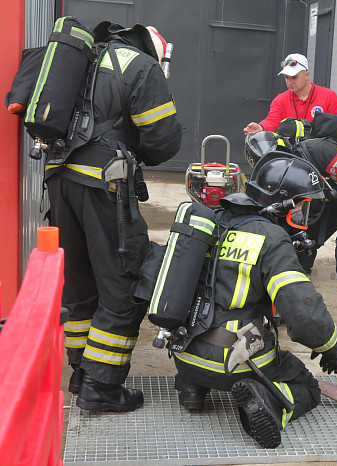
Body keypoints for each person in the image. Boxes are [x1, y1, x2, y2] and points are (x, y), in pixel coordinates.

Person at [47, 22, 182, 412]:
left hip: (58, 180)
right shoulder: (138, 64)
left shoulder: (83, 59)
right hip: (103, 183)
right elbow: (162, 138)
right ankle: (101, 388)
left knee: (80, 283)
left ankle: (81, 374)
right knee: (125, 281)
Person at [171, 152, 337, 449]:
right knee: (307, 387)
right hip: (233, 364)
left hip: (184, 352)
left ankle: (191, 388)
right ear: (282, 202)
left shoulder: (211, 220)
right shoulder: (271, 238)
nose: (303, 218)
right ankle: (269, 403)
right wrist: (329, 345)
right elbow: (303, 313)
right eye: (302, 208)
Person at [244, 118, 337, 339]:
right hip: (328, 199)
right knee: (298, 248)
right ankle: (293, 308)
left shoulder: (318, 150)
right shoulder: (280, 163)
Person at [243, 53, 337, 135]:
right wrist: (260, 127)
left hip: (319, 156)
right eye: (287, 78)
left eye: (294, 77)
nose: (290, 82)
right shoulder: (280, 100)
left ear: (307, 75)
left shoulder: (329, 97)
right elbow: (272, 121)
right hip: (290, 155)